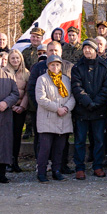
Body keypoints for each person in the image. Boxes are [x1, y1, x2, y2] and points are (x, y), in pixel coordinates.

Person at [71, 39, 107, 179]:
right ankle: (80, 167)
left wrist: (96, 103)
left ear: (96, 50)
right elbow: (76, 87)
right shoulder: (77, 67)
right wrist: (88, 102)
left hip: (99, 110)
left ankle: (98, 166)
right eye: (85, 48)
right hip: (82, 110)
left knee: (99, 140)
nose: (87, 51)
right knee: (80, 140)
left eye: (90, 48)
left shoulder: (105, 67)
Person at [34, 54, 74, 182]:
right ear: (48, 66)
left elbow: (72, 97)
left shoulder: (66, 80)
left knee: (59, 148)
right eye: (52, 65)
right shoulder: (42, 79)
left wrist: (66, 108)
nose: (55, 67)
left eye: (57, 65)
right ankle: (42, 172)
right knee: (45, 148)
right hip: (48, 118)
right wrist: (57, 108)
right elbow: (41, 98)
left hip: (63, 117)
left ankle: (56, 171)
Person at [5, 49, 29, 173]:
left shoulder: (26, 73)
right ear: (9, 59)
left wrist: (22, 106)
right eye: (13, 58)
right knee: (7, 136)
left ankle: (15, 162)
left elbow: (27, 92)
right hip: (7, 109)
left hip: (20, 110)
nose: (15, 60)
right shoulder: (3, 72)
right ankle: (7, 161)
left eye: (17, 58)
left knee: (16, 136)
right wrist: (11, 105)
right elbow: (2, 92)